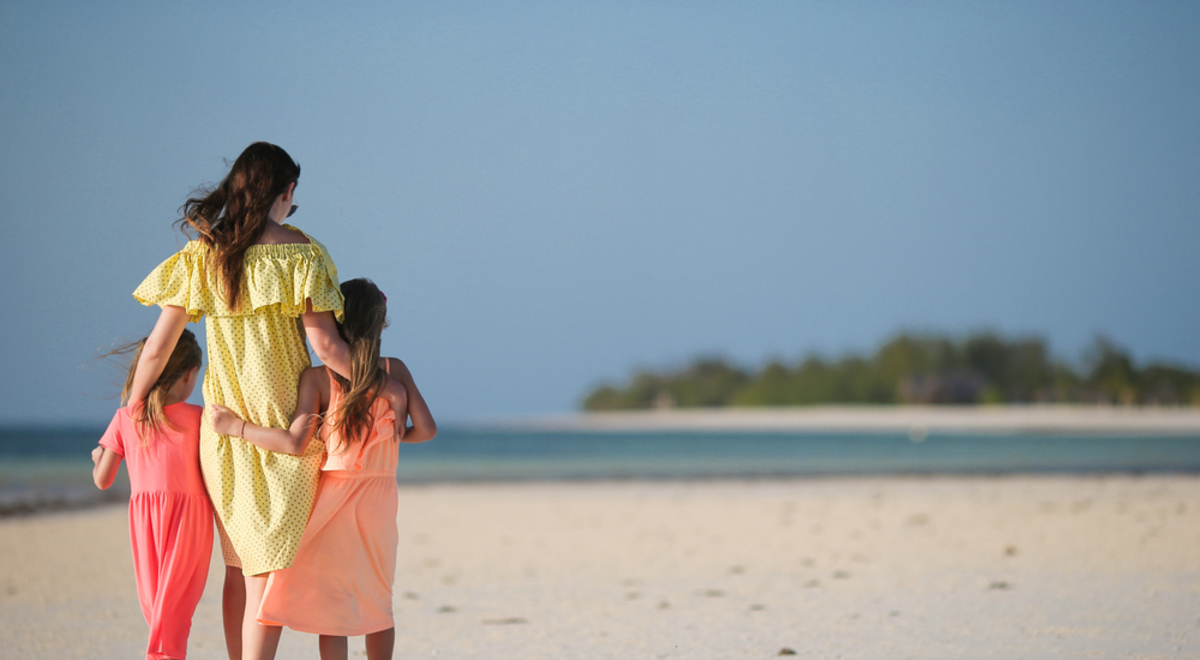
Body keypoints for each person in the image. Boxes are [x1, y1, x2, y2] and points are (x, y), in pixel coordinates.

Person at [127, 142, 353, 660]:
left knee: (239, 565)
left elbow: (159, 345)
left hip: (224, 434)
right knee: (266, 571)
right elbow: (325, 346)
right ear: (286, 191)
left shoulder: (203, 255)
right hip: (289, 427)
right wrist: (372, 384)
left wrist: (134, 406)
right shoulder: (302, 253)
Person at [210, 278, 437, 660]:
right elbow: (427, 431)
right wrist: (388, 442)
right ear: (381, 323)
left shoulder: (318, 377)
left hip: (332, 499)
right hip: (379, 498)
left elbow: (295, 444)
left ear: (334, 321)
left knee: (333, 608)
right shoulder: (394, 370)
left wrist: (237, 427)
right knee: (376, 595)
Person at [92, 329, 211, 660]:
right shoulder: (199, 418)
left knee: (157, 605)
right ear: (189, 375)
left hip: (145, 523)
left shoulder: (125, 418)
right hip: (191, 521)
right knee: (177, 607)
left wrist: (97, 457)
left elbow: (102, 481)